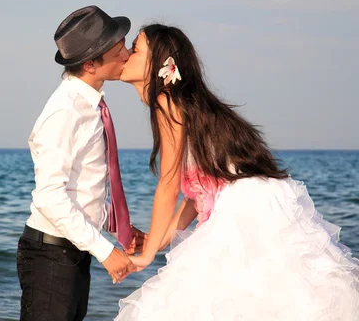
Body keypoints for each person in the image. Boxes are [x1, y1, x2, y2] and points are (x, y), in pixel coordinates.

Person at [116, 23, 359, 320]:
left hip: (245, 209)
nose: (126, 54)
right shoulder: (184, 105)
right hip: (256, 202)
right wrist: (158, 238)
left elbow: (167, 185)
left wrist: (146, 255)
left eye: (135, 49)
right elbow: (199, 195)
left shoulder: (166, 103)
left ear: (160, 65)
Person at [16, 5, 147, 321]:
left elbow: (83, 187)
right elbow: (50, 197)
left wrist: (118, 228)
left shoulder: (89, 105)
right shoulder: (66, 112)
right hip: (51, 256)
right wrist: (106, 252)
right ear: (91, 64)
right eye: (119, 51)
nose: (127, 56)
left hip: (70, 252)